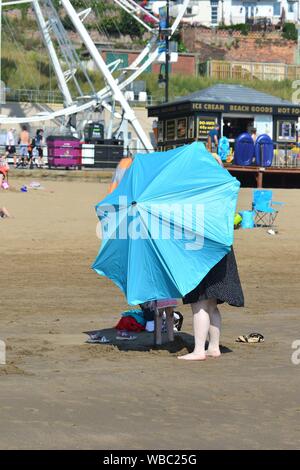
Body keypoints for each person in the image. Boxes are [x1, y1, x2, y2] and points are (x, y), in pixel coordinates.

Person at [178, 154, 244, 361]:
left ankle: (199, 350)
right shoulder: (225, 188)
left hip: (202, 250)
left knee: (199, 303)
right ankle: (213, 346)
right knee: (212, 304)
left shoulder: (201, 190)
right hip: (222, 249)